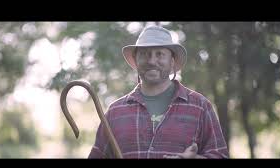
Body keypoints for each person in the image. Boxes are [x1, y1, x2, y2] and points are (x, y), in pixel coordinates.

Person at [88, 25, 228, 158]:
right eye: (144, 54)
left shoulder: (200, 107)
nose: (152, 61)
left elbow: (220, 155)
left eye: (159, 54)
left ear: (172, 61)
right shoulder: (115, 112)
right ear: (136, 61)